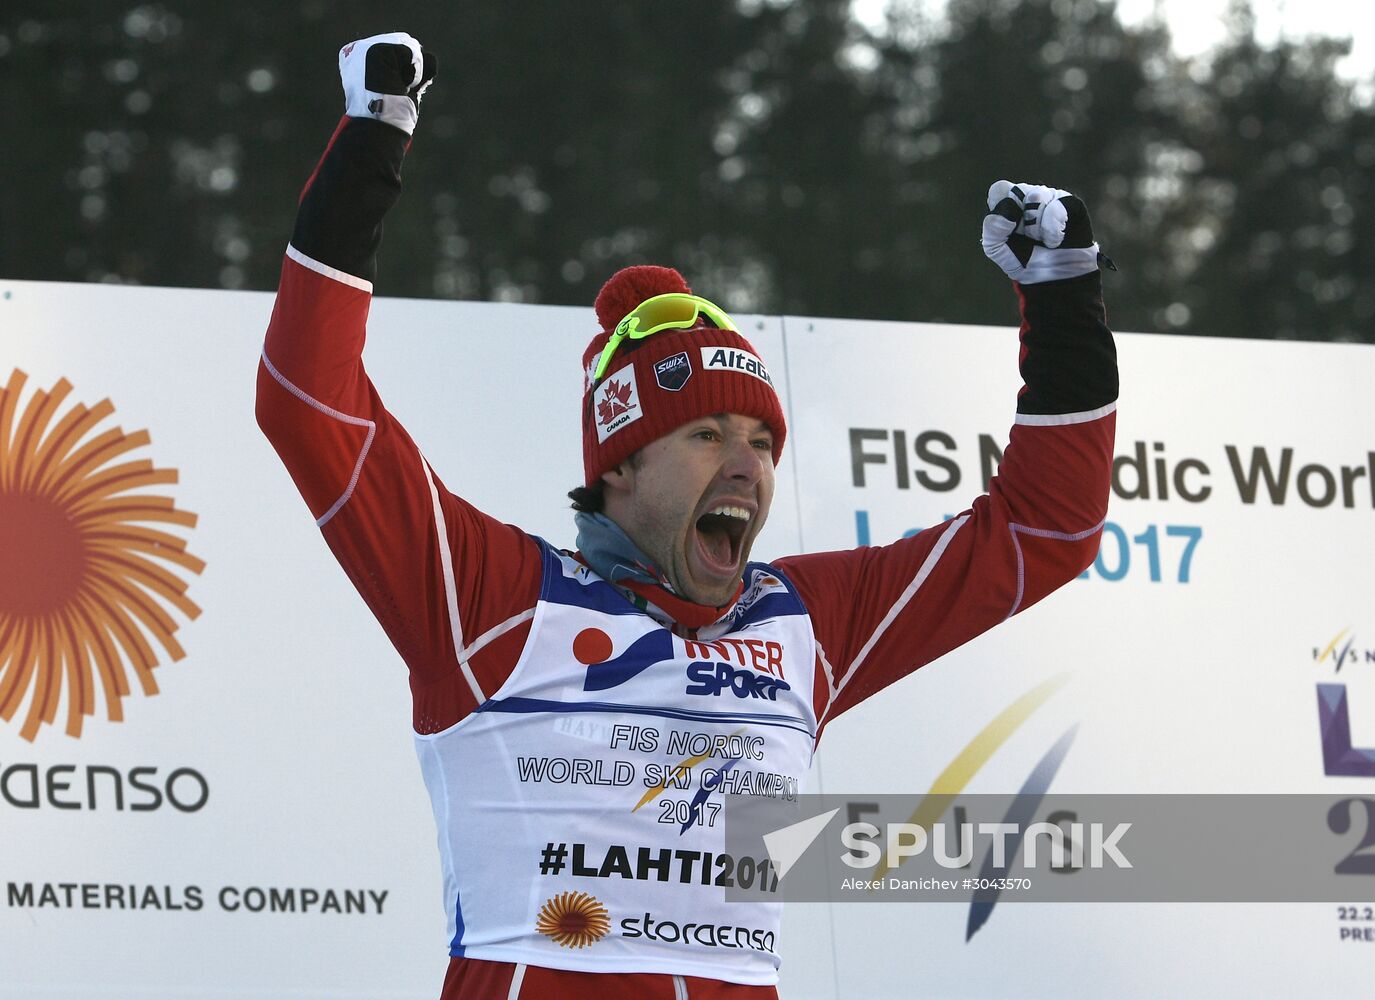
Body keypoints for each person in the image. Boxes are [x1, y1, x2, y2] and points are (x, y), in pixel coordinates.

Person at [256, 32, 1117, 1000]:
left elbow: (1047, 529)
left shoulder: (804, 621)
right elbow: (308, 405)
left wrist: (1064, 296)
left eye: (761, 440)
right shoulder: (490, 598)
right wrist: (373, 140)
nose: (746, 465)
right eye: (707, 434)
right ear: (619, 461)